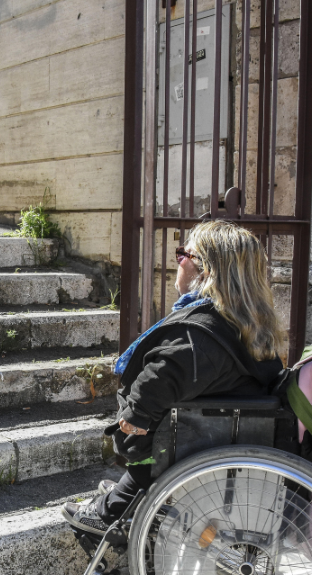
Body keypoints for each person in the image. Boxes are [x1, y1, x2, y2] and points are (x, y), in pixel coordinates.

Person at [62, 220, 287, 534]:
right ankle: (125, 496)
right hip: (226, 438)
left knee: (147, 444)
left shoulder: (201, 331)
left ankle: (109, 511)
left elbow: (166, 372)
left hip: (189, 445)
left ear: (204, 270)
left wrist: (135, 415)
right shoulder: (251, 327)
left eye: (184, 255)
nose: (178, 262)